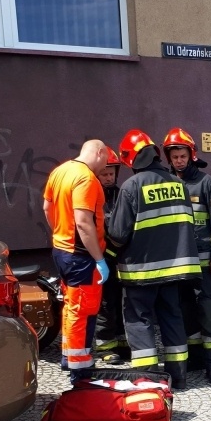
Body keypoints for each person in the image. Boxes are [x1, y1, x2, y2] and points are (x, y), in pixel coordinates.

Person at [107, 129, 201, 390]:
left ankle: (147, 379)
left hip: (140, 273)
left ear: (130, 159)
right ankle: (178, 377)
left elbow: (117, 234)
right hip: (174, 270)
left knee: (139, 320)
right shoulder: (178, 184)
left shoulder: (131, 186)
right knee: (172, 318)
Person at [162, 127, 211, 385]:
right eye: (175, 156)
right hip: (178, 264)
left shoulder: (207, 182)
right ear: (169, 158)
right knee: (185, 312)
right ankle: (196, 360)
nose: (179, 160)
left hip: (203, 262)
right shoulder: (166, 183)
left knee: (208, 312)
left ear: (191, 155)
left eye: (182, 156)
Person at [42, 139, 109, 383]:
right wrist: (99, 258)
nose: (105, 167)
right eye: (106, 160)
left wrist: (59, 233)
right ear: (99, 152)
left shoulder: (60, 171)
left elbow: (47, 208)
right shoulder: (86, 178)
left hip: (61, 250)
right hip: (81, 256)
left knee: (71, 306)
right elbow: (83, 223)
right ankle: (80, 370)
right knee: (85, 311)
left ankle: (68, 357)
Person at [93, 147, 130, 363]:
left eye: (111, 173)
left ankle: (123, 342)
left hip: (122, 258)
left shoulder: (122, 194)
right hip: (102, 259)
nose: (108, 178)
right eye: (104, 174)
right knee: (105, 304)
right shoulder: (92, 195)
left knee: (123, 302)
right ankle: (105, 346)